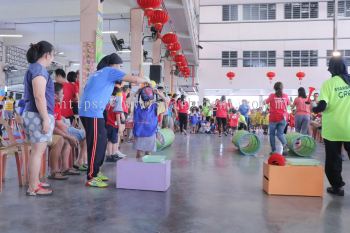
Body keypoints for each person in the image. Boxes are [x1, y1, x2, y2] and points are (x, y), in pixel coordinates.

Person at [79, 53, 148, 188]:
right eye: (119, 66)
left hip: (92, 111)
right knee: (95, 144)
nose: (120, 68)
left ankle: (96, 172)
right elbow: (134, 79)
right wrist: (145, 80)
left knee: (102, 141)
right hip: (92, 112)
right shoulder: (110, 71)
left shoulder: (100, 73)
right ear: (114, 65)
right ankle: (91, 176)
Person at [313, 56, 350, 196]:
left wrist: (314, 109)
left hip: (333, 129)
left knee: (333, 159)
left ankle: (337, 187)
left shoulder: (328, 84)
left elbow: (322, 106)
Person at [23, 41, 55, 196]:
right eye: (52, 55)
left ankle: (34, 182)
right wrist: (45, 118)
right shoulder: (39, 70)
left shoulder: (35, 68)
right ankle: (33, 187)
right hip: (37, 115)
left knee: (36, 152)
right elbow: (39, 96)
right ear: (47, 54)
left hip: (33, 114)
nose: (52, 58)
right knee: (37, 152)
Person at [133, 86, 166, 158]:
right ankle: (145, 167)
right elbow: (166, 101)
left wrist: (136, 92)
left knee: (140, 153)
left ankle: (139, 167)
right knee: (147, 153)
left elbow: (127, 101)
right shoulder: (155, 106)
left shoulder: (136, 106)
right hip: (149, 133)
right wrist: (159, 93)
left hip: (140, 133)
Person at [265, 82, 290, 155]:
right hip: (283, 118)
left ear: (274, 88)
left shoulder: (272, 96)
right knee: (280, 134)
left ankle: (274, 151)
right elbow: (289, 104)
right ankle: (285, 145)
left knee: (272, 135)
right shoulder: (285, 96)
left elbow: (265, 102)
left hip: (273, 118)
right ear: (282, 88)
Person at [105, 85, 126, 162]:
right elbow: (117, 115)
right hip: (114, 125)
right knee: (114, 141)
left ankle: (109, 155)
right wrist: (119, 126)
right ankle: (113, 154)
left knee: (110, 140)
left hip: (108, 124)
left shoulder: (109, 102)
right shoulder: (117, 103)